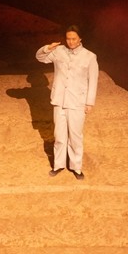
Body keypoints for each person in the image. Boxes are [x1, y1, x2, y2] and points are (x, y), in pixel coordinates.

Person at [35, 24, 99, 180]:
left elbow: (93, 80)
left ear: (80, 39)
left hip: (77, 101)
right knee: (59, 136)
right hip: (59, 100)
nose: (71, 41)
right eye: (68, 38)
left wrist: (89, 102)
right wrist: (48, 48)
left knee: (75, 136)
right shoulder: (58, 51)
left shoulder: (89, 56)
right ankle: (58, 165)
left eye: (74, 39)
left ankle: (76, 167)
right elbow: (40, 57)